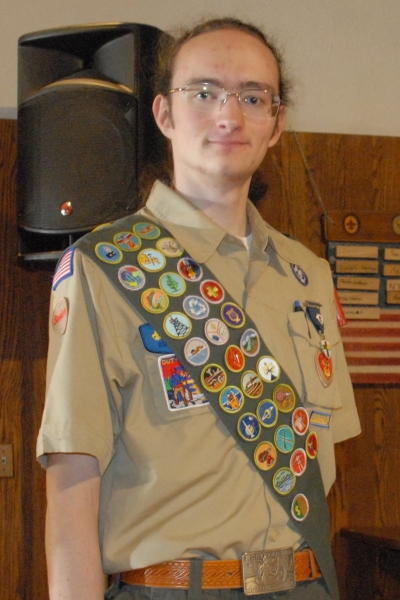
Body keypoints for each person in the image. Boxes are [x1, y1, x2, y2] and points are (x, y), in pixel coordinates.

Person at [37, 17, 361, 600]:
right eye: (204, 92)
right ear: (164, 114)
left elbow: (319, 472)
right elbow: (70, 491)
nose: (229, 115)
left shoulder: (307, 276)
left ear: (277, 124)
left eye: (253, 97)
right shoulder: (105, 267)